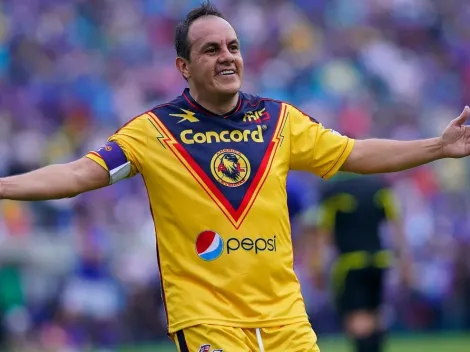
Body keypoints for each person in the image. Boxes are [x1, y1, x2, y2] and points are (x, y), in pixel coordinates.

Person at [0, 1, 469, 351]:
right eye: (211, 50)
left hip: (286, 318)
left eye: (233, 47)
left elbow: (355, 152)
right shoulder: (154, 131)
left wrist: (438, 147)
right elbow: (81, 173)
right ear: (183, 67)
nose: (227, 57)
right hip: (208, 321)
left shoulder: (279, 120)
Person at [311, 173, 411, 352]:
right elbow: (396, 224)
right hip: (379, 262)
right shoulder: (379, 186)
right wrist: (405, 262)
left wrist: (318, 267)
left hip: (350, 264)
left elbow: (323, 234)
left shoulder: (332, 191)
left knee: (356, 319)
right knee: (374, 315)